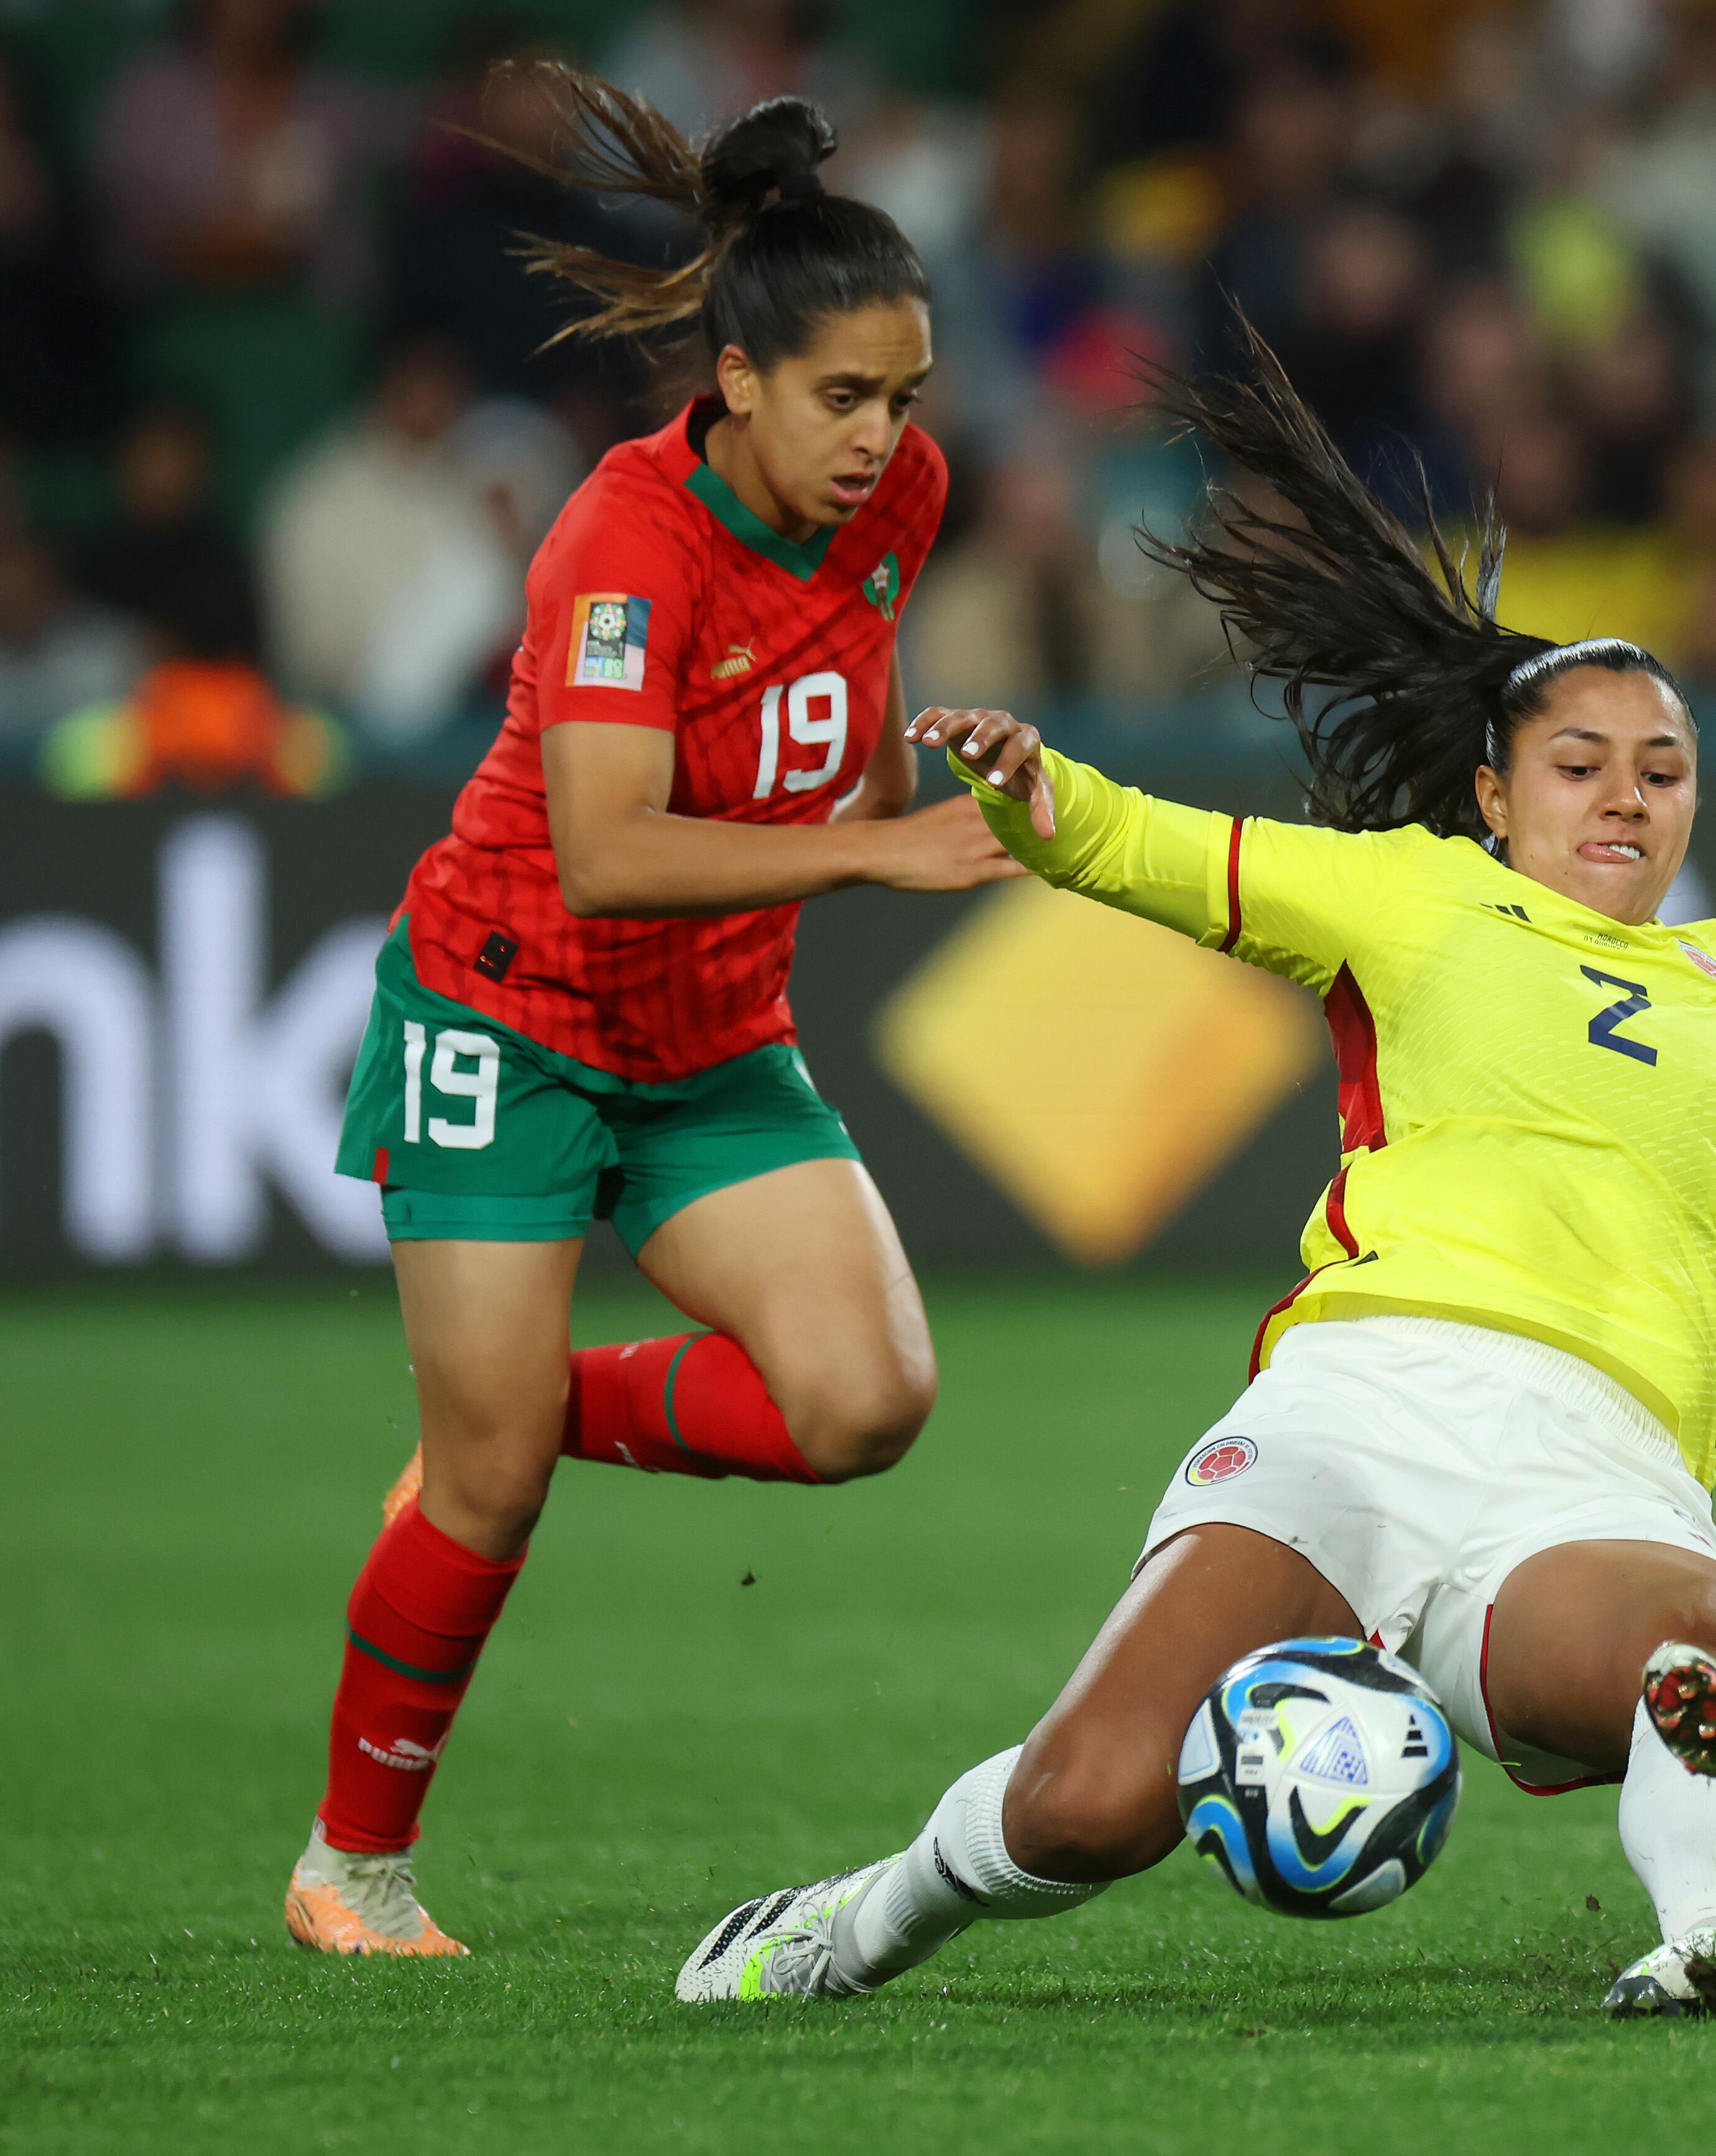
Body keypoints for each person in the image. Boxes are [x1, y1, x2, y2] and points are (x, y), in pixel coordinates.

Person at [674, 343, 1716, 2020]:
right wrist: (1035, 786)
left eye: (1659, 770)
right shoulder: (1413, 894)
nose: (1624, 796)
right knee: (1087, 1801)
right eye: (1580, 762)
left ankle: (1712, 1942)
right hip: (1360, 1406)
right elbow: (1144, 848)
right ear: (1494, 793)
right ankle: (855, 1924)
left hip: (1592, 1465)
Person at [281, 64, 1026, 1957]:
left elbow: (842, 693)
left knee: (864, 1402)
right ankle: (350, 1868)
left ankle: (519, 1412)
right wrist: (883, 856)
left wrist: (907, 781)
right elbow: (606, 851)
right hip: (507, 1012)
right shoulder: (620, 544)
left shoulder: (902, 497)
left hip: (706, 1037)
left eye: (907, 397)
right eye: (844, 398)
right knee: (485, 1491)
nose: (882, 438)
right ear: (740, 379)